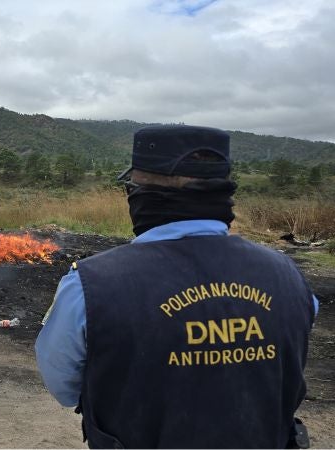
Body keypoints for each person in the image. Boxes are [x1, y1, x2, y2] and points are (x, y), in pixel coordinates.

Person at [35, 125, 318, 448]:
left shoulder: (89, 286)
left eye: (131, 186)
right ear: (223, 192)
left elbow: (64, 386)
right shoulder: (288, 276)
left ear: (141, 195)